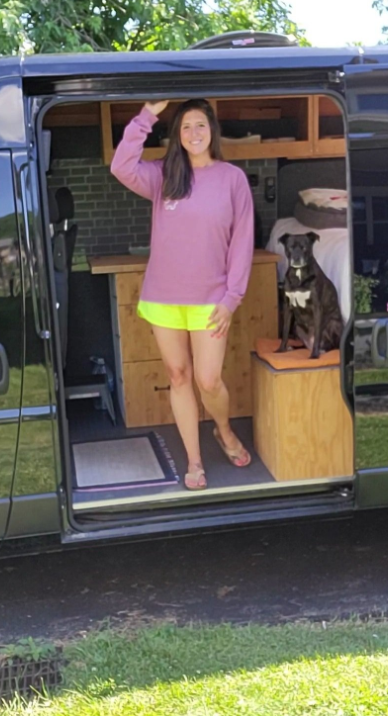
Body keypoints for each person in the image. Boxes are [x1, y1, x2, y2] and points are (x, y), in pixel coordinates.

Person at [111, 98, 254, 490]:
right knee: (178, 376)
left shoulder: (231, 179)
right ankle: (194, 461)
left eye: (200, 126)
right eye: (186, 127)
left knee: (209, 381)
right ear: (177, 135)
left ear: (212, 131)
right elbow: (121, 166)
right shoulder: (164, 175)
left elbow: (242, 242)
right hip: (163, 298)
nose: (193, 133)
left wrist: (232, 298)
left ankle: (223, 431)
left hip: (211, 300)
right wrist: (146, 116)